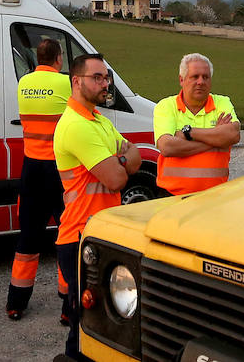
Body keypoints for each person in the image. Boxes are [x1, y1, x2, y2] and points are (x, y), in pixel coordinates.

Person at [53, 53, 140, 361]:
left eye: (107, 78)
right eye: (98, 78)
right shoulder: (77, 126)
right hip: (79, 237)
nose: (105, 84)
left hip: (100, 232)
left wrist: (121, 160)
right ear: (77, 81)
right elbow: (117, 179)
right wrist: (122, 161)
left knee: (105, 322)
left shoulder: (99, 121)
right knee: (85, 326)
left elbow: (138, 155)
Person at [5, 37, 72, 322]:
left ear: (37, 57)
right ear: (58, 59)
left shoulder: (23, 83)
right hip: (59, 168)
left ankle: (16, 302)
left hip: (30, 168)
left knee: (28, 236)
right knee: (67, 234)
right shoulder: (66, 84)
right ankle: (69, 308)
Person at [153, 52, 240, 195]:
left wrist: (189, 133)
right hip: (172, 197)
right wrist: (216, 138)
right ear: (181, 80)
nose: (201, 82)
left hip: (215, 197)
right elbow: (167, 147)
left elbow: (233, 134)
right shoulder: (166, 106)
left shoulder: (222, 102)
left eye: (206, 77)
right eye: (195, 77)